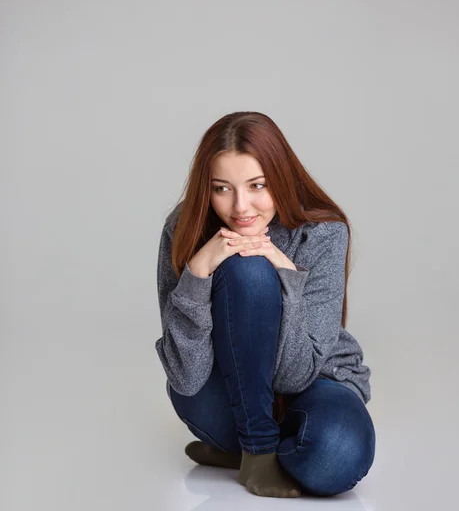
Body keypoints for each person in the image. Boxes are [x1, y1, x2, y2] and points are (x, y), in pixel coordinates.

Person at [155, 111, 376, 498]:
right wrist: (199, 270)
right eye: (222, 188)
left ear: (281, 178)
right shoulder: (185, 227)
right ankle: (257, 452)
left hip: (315, 380)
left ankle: (244, 449)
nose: (241, 207)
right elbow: (186, 379)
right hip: (222, 388)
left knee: (337, 458)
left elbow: (296, 375)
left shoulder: (323, 231)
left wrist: (287, 275)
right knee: (247, 270)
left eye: (257, 185)